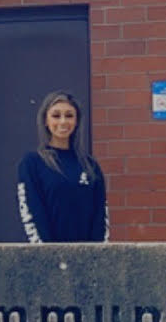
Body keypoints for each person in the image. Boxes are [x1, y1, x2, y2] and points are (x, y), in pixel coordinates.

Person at [16, 91, 109, 243]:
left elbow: (100, 216)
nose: (63, 121)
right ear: (46, 120)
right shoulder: (32, 163)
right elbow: (31, 213)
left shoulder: (90, 165)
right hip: (48, 259)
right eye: (56, 115)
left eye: (69, 115)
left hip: (87, 259)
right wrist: (48, 256)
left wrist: (97, 256)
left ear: (77, 121)